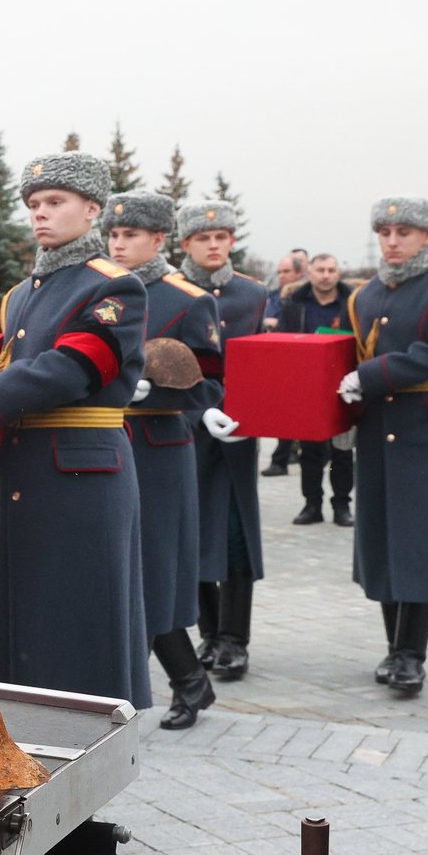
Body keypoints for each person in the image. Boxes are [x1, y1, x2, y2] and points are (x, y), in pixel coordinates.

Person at [0, 152, 150, 708]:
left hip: (82, 472)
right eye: (34, 204)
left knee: (81, 611)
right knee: (30, 612)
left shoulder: (114, 285)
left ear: (93, 210)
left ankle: (90, 736)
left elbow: (78, 366)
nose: (41, 213)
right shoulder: (20, 295)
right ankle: (35, 730)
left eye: (55, 202)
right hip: (28, 466)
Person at [336, 197, 428, 694]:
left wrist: (368, 376)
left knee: (421, 542)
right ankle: (393, 645)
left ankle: (410, 654)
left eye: (405, 233)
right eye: (385, 232)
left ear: (426, 237)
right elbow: (346, 355)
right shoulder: (365, 295)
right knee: (382, 539)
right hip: (378, 430)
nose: (393, 242)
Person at [105, 191, 223, 728]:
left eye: (130, 235)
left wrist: (153, 393)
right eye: (113, 234)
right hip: (108, 444)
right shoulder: (99, 290)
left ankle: (163, 687)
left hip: (159, 451)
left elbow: (211, 383)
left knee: (153, 571)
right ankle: (191, 680)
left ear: (158, 239)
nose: (119, 243)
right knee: (127, 573)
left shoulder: (187, 299)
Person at [175, 201, 267, 680]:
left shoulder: (252, 295)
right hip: (183, 428)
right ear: (185, 243)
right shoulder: (170, 291)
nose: (213, 245)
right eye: (202, 238)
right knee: (188, 532)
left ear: (231, 242)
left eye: (222, 237)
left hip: (236, 430)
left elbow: (271, 361)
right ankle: (208, 631)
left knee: (234, 535)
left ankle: (234, 638)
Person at [277, 253, 357, 526]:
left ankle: (342, 505)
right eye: (320, 269)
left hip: (344, 387)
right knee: (310, 452)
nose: (326, 275)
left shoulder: (353, 303)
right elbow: (283, 343)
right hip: (307, 387)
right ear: (309, 272)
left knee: (342, 451)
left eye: (331, 269)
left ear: (338, 273)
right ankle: (312, 504)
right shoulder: (294, 304)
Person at [261, 250, 309, 475]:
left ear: (300, 273)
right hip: (279, 358)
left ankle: (285, 456)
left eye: (286, 271)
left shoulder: (306, 297)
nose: (282, 276)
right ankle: (282, 457)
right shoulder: (271, 295)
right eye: (279, 271)